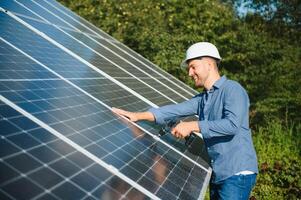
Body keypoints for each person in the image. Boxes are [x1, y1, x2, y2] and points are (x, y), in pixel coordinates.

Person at [112, 42, 258, 200]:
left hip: (237, 172)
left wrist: (192, 126)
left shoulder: (232, 89)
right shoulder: (204, 99)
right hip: (220, 171)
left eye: (193, 67)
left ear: (209, 64)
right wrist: (137, 116)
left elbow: (232, 125)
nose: (190, 73)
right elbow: (172, 111)